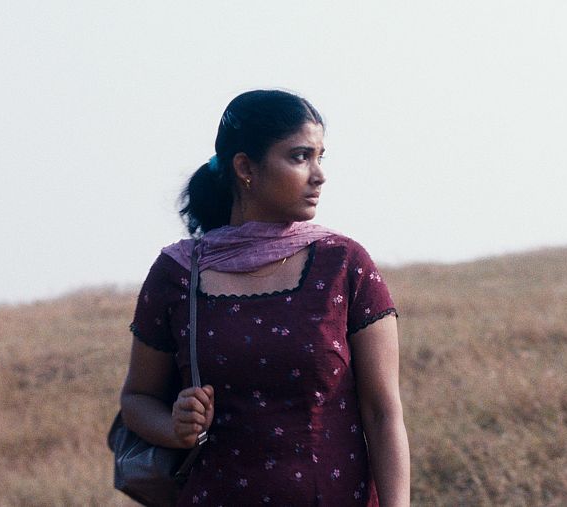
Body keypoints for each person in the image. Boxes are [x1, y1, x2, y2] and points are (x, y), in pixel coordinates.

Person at [119, 89, 410, 506]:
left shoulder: (344, 265)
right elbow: (137, 399)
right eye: (299, 157)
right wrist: (175, 427)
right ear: (245, 167)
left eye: (320, 157)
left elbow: (383, 413)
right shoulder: (178, 274)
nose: (319, 174)